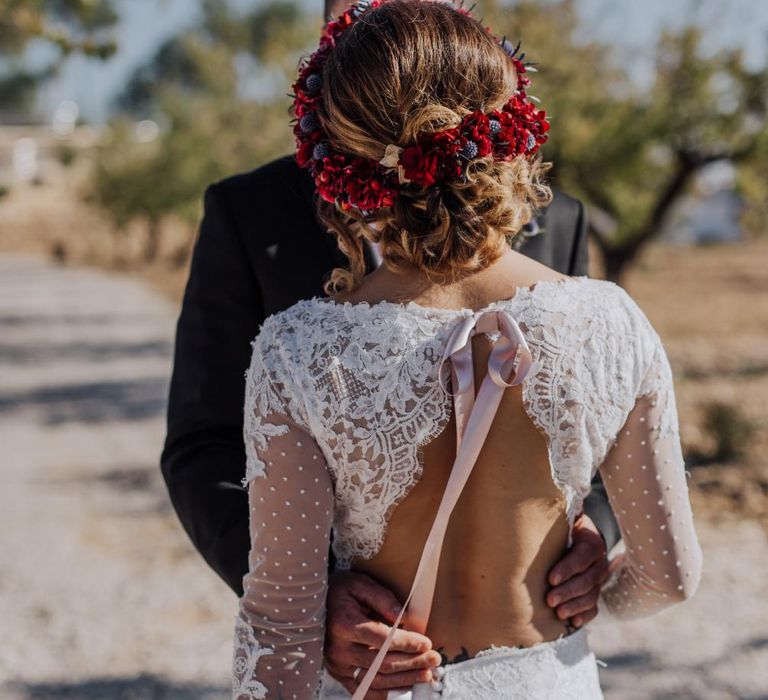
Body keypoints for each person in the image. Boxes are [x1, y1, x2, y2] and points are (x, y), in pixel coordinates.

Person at [228, 1, 702, 698]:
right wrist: (595, 595)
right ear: (508, 132)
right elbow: (671, 575)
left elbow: (282, 626)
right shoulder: (612, 322)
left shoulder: (300, 349)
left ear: (340, 163)